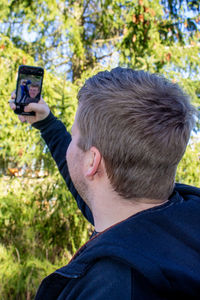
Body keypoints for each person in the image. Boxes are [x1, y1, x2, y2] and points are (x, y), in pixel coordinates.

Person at [10, 68, 200, 299]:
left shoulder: (111, 286)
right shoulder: (177, 221)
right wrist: (47, 124)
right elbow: (90, 185)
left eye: (74, 135)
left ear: (92, 161)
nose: (71, 145)